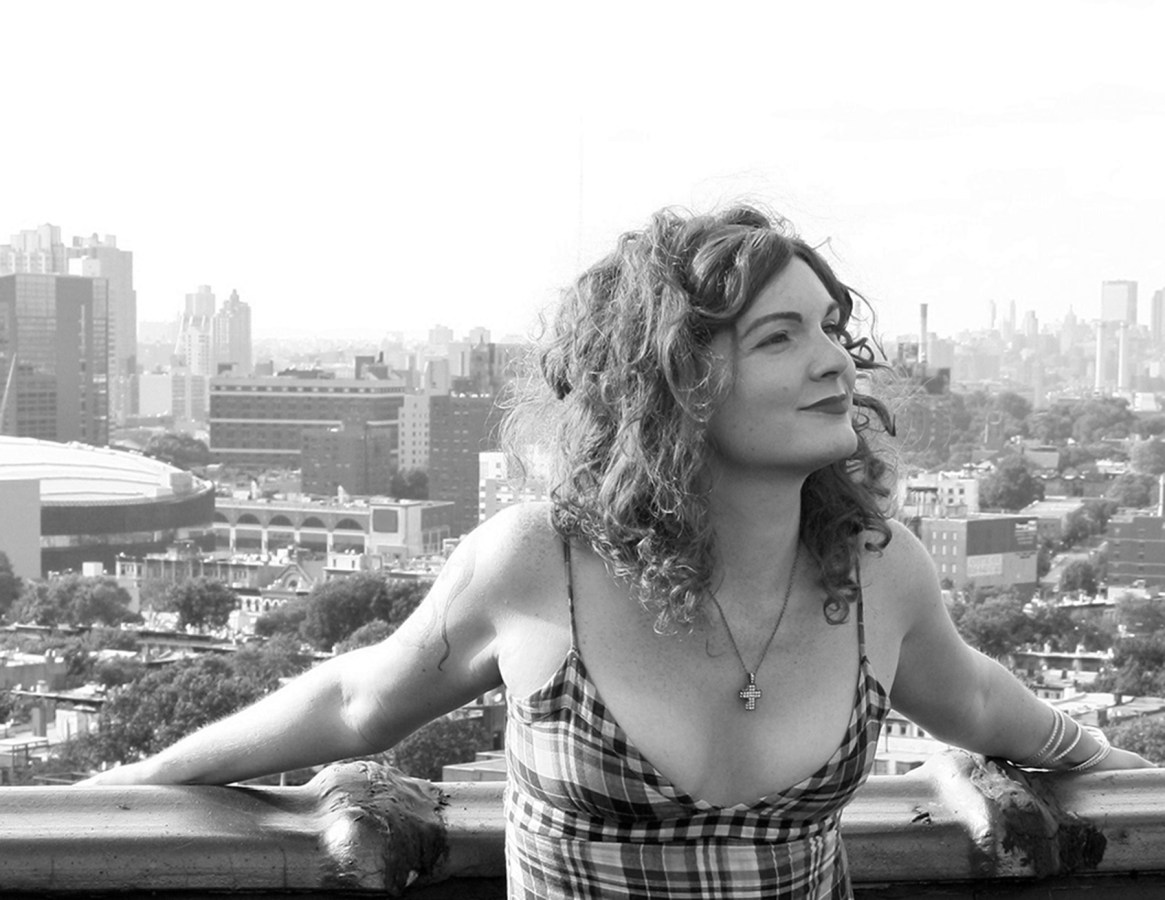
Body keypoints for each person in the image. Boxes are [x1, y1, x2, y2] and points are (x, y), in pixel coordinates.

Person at [85, 204, 1153, 898]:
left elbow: (1000, 713)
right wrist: (135, 784)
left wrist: (1127, 778)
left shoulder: (875, 573)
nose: (835, 361)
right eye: (782, 337)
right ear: (672, 381)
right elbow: (355, 703)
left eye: (832, 328)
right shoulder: (537, 561)